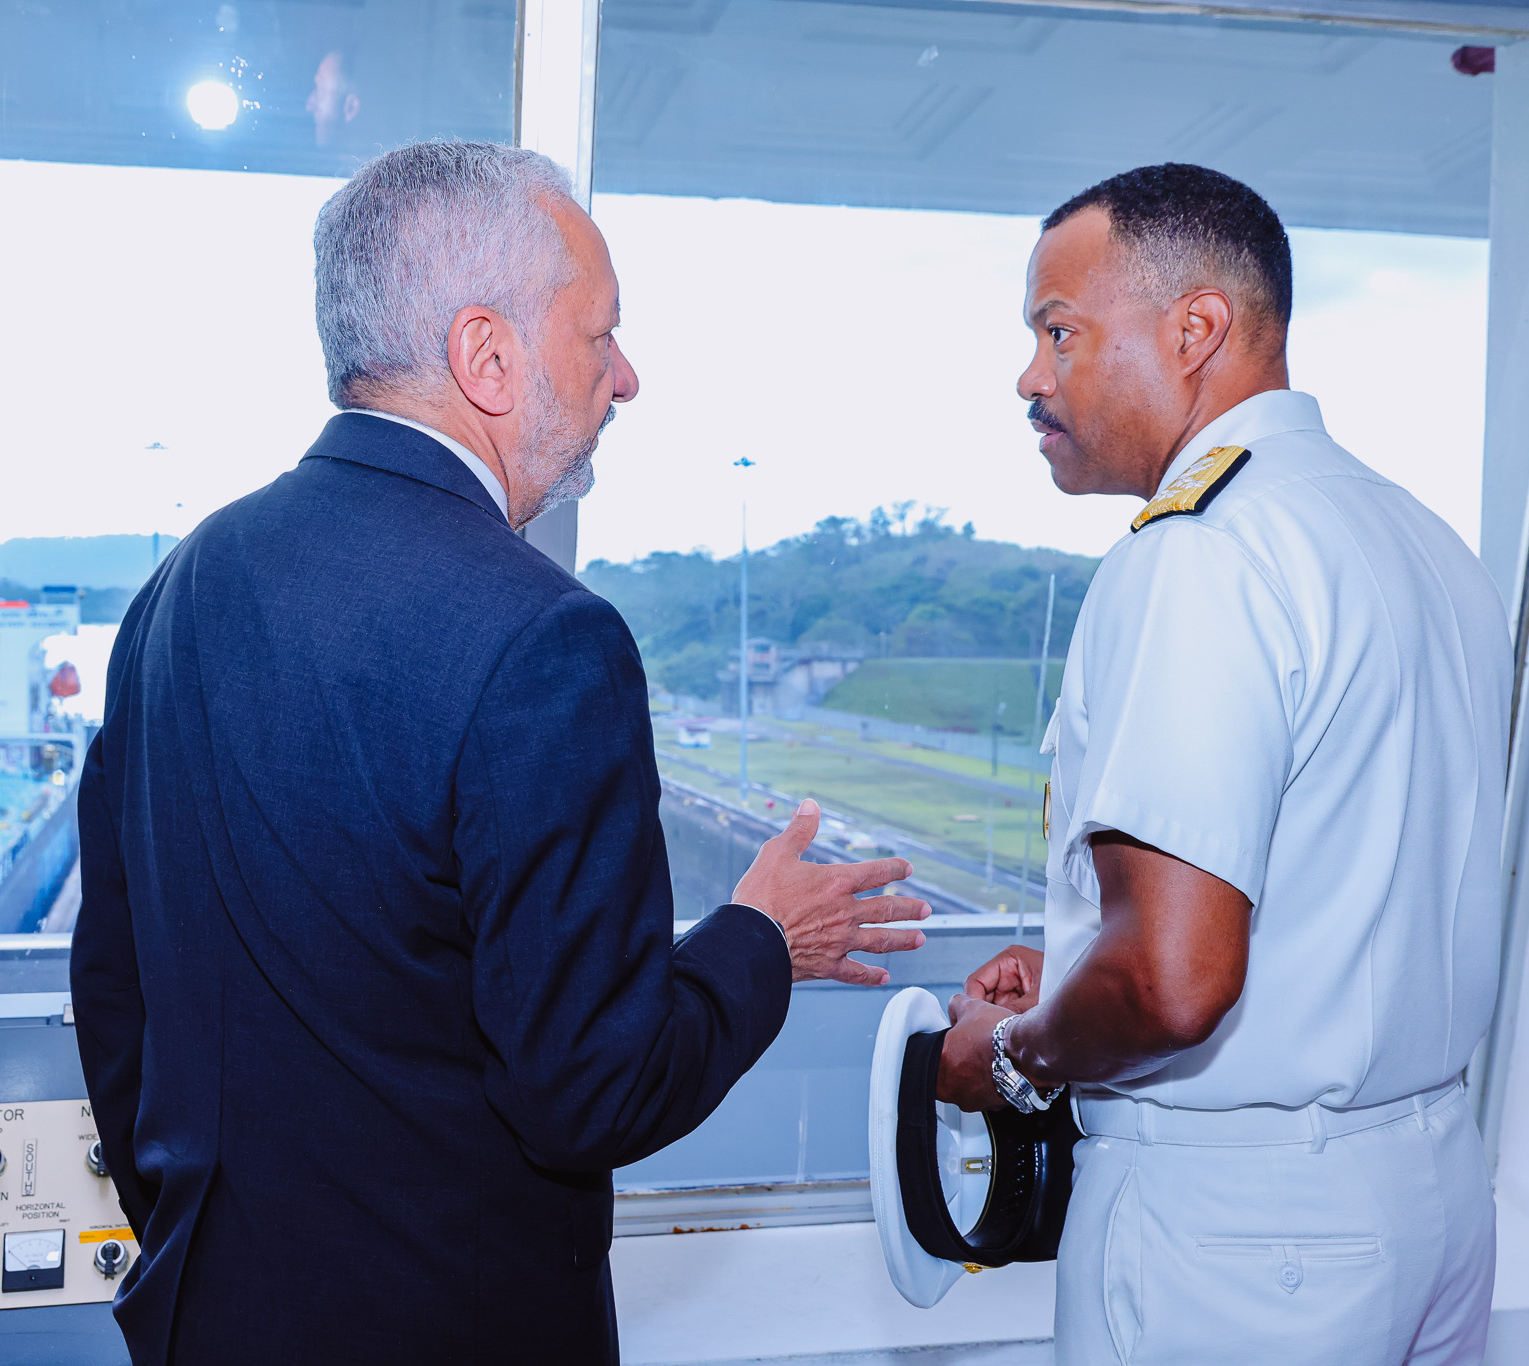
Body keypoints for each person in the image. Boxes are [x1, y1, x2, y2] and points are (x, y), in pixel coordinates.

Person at [69, 140, 928, 1364]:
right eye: (600, 335)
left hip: (209, 1316)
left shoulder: (183, 582)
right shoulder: (543, 639)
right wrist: (763, 942)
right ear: (487, 357)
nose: (626, 377)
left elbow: (117, 990)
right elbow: (592, 1087)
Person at [936, 163, 1510, 1364]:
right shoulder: (1416, 537)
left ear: (1195, 329)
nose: (1030, 377)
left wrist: (1011, 1054)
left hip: (1238, 1239)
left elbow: (1173, 984)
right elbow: (1332, 895)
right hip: (1432, 1195)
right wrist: (1072, 968)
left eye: (1058, 331)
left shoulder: (1198, 557)